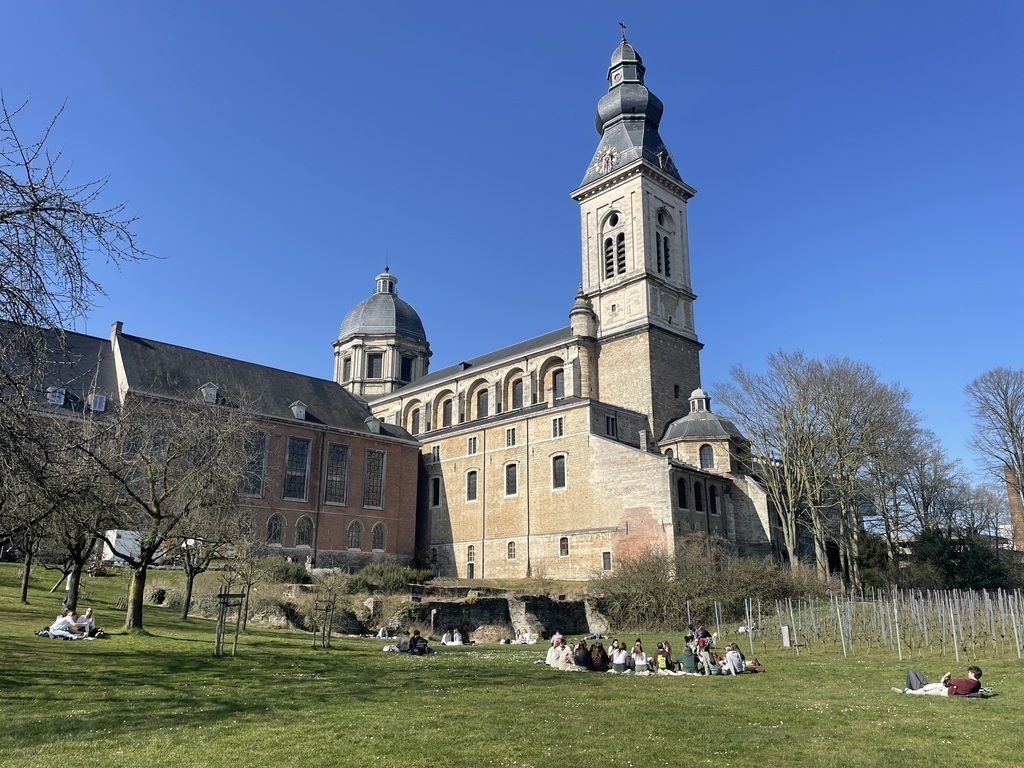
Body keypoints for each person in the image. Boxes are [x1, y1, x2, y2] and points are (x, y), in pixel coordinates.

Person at [894, 666, 983, 697]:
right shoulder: (977, 684)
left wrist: (946, 676)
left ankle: (908, 691)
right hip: (939, 687)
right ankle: (909, 690)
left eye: (969, 672)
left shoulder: (966, 682)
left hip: (942, 689)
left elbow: (949, 682)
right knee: (915, 671)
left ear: (972, 673)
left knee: (911, 673)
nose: (968, 674)